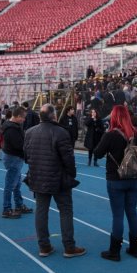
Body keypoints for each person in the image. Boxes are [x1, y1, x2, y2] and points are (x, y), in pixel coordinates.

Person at [24, 104, 86, 258]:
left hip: (38, 177)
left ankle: (44, 246)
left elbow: (27, 156)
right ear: (53, 116)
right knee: (65, 211)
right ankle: (69, 247)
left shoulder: (30, 132)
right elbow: (68, 159)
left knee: (41, 211)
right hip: (59, 179)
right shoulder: (61, 132)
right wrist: (71, 174)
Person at [91, 105, 137, 261]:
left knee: (118, 215)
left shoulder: (111, 135)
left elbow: (97, 153)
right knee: (132, 211)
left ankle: (114, 251)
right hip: (135, 178)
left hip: (116, 178)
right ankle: (135, 248)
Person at [1, 106, 33, 219]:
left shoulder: (12, 126)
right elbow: (18, 145)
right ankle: (6, 209)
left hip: (14, 157)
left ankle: (18, 205)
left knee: (16, 183)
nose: (24, 120)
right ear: (18, 116)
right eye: (23, 118)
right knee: (10, 184)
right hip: (13, 158)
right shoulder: (11, 129)